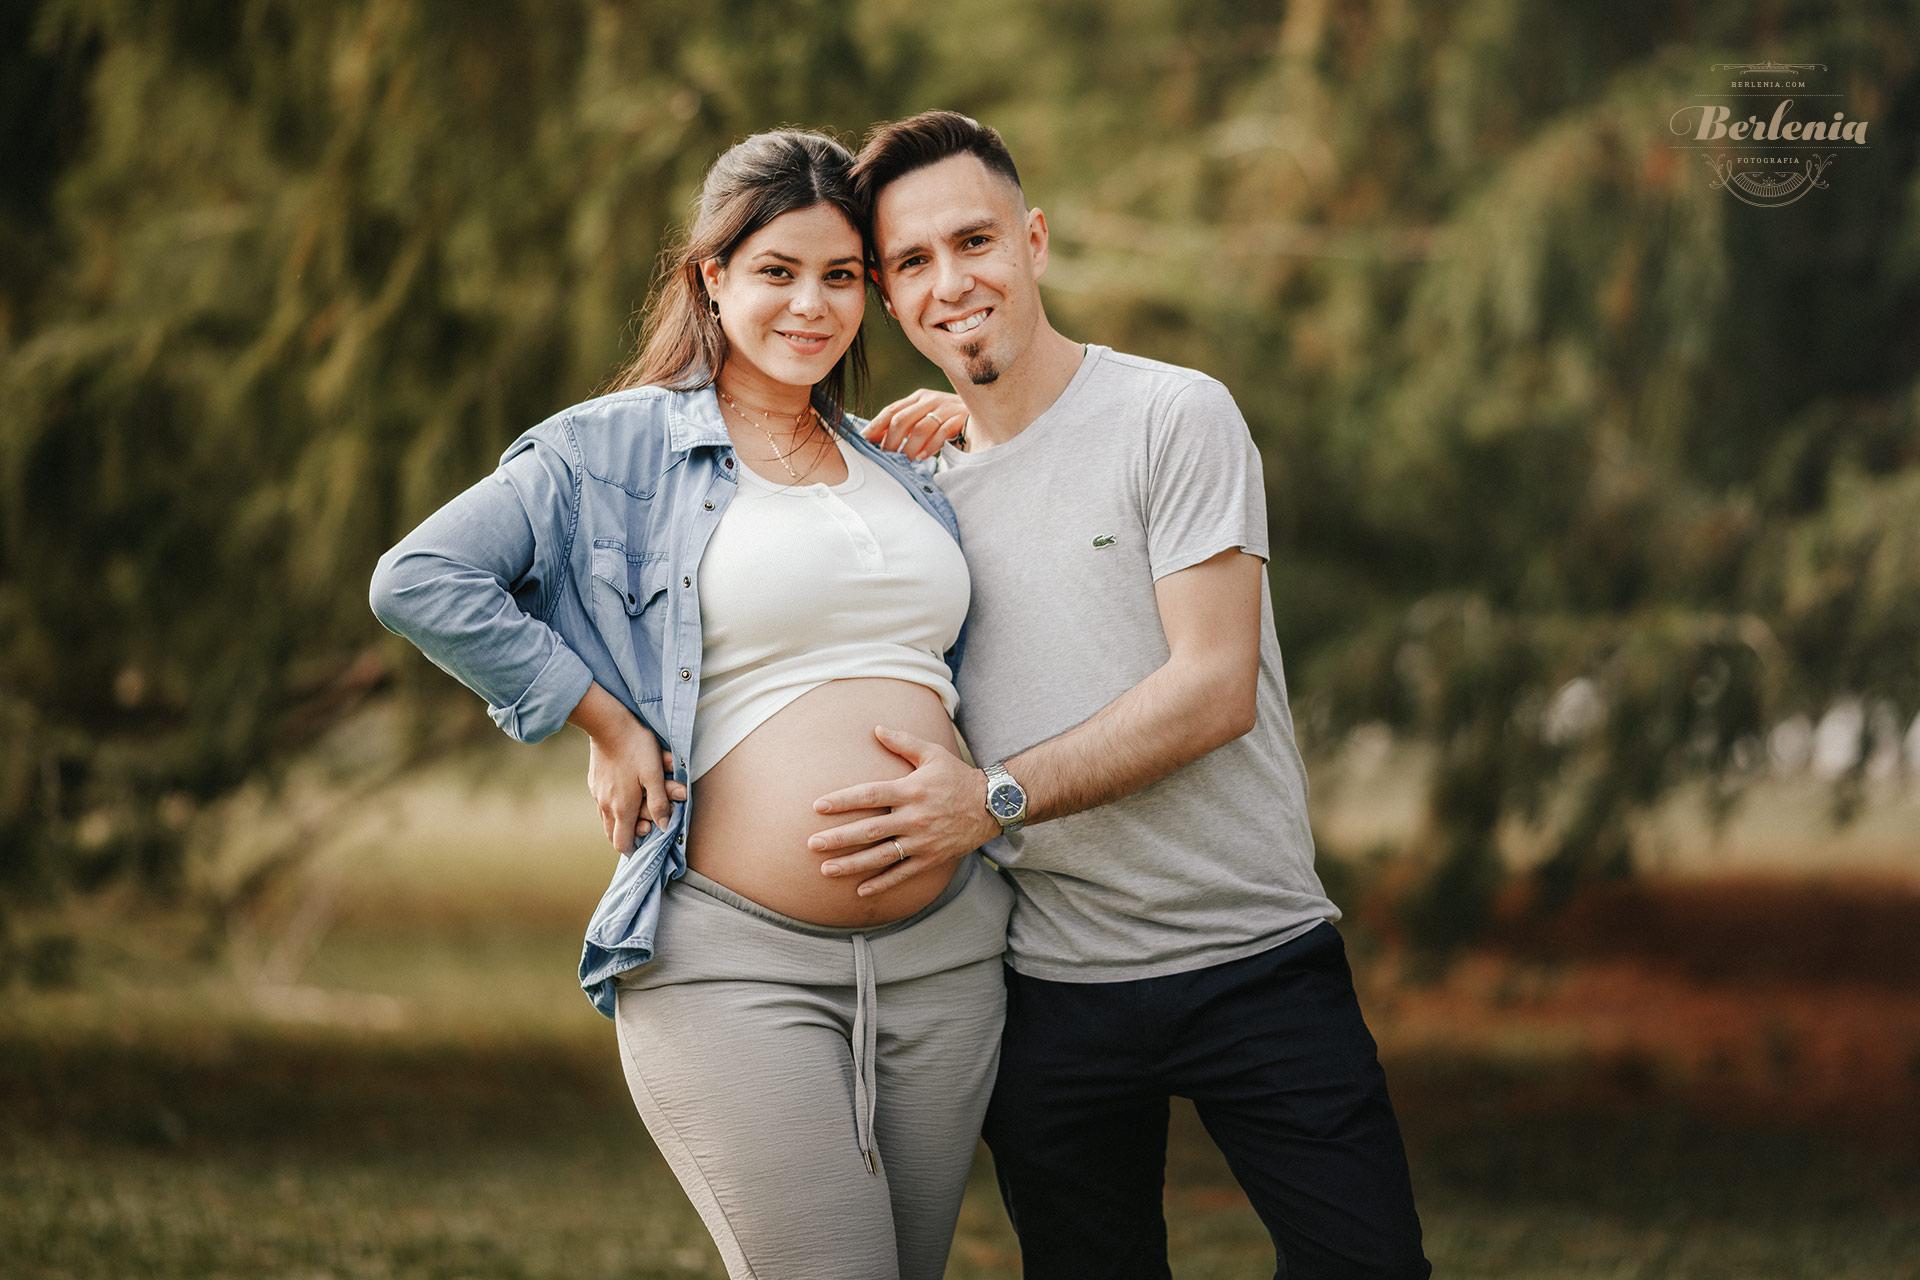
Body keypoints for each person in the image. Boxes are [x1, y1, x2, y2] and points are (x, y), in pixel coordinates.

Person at [368, 129, 1010, 1280]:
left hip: (947, 959)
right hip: (732, 958)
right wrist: (601, 719)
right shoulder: (613, 448)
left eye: (841, 275)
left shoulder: (896, 464)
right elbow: (420, 580)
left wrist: (978, 436)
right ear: (711, 275)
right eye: (776, 270)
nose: (811, 304)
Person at [804, 111, 1432, 1280]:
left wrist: (988, 799)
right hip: (1052, 988)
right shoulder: (915, 497)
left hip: (1254, 954)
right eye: (913, 262)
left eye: (976, 240)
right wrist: (609, 727)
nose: (953, 280)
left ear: (1033, 241)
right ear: (888, 298)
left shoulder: (1171, 415)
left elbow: (1211, 690)